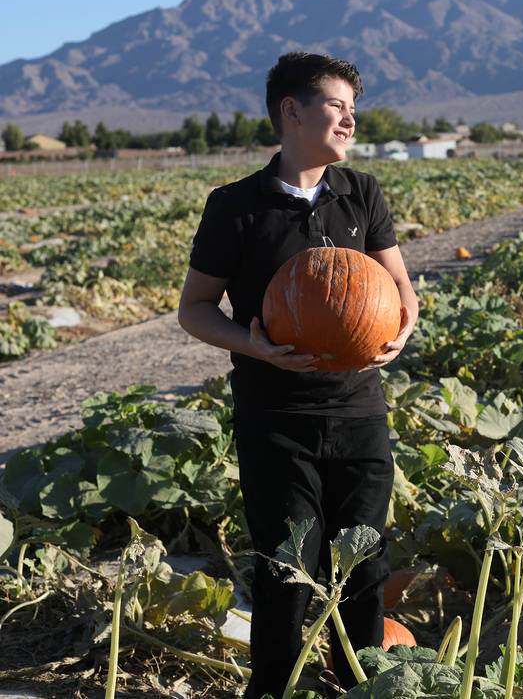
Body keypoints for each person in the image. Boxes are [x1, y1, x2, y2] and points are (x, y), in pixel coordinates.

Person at [177, 52, 418, 697]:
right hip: (276, 417)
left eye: (353, 111)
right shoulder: (235, 207)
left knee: (364, 566)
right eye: (337, 107)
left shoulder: (362, 194)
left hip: (360, 412)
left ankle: (359, 687)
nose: (350, 121)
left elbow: (399, 289)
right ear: (291, 111)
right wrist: (256, 348)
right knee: (288, 568)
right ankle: (273, 691)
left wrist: (398, 332)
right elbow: (195, 309)